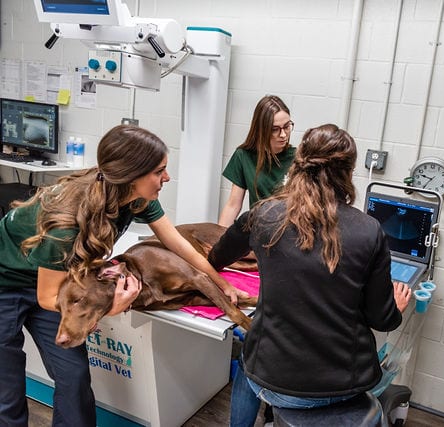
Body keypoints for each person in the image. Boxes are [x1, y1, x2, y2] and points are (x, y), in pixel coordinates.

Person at [0, 124, 247, 426]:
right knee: (7, 389)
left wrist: (220, 283)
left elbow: (177, 243)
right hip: (9, 284)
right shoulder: (65, 224)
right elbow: (47, 296)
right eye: (160, 171)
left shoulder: (135, 197)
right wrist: (111, 308)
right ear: (132, 175)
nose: (166, 177)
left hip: (57, 280)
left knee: (74, 377)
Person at [208, 124, 412, 427]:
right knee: (254, 355)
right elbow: (381, 319)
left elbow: (217, 257)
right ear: (348, 172)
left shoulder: (263, 216)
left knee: (250, 359)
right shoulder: (369, 232)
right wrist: (396, 306)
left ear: (299, 162)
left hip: (271, 380)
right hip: (342, 384)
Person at [218, 95, 296, 227]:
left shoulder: (299, 159)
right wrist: (218, 241)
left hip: (289, 233)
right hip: (259, 231)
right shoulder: (243, 156)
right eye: (275, 129)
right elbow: (233, 205)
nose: (283, 135)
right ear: (261, 130)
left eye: (287, 126)